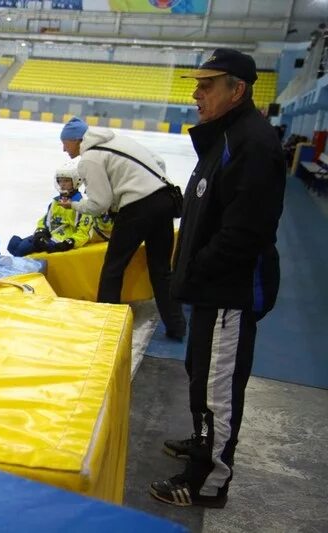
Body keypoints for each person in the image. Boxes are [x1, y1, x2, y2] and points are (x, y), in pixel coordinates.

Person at [151, 48, 286, 509]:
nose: (196, 93)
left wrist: (196, 268)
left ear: (237, 90)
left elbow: (245, 233)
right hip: (210, 289)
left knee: (217, 389)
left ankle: (207, 481)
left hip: (228, 292)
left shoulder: (252, 144)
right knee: (200, 376)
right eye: (197, 84)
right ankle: (202, 442)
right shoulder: (225, 135)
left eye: (207, 85)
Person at [60, 116, 186, 340]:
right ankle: (176, 326)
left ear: (77, 140)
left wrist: (74, 204)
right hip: (163, 199)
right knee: (161, 269)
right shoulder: (118, 140)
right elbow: (158, 162)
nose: (63, 148)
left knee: (113, 268)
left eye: (65, 143)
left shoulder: (90, 158)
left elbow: (100, 204)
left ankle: (105, 327)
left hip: (137, 207)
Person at [7, 162, 94, 257]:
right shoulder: (56, 202)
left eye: (66, 181)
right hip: (49, 237)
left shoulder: (82, 205)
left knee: (21, 249)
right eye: (60, 181)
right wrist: (41, 232)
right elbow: (45, 221)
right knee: (13, 244)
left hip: (59, 242)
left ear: (76, 181)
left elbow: (83, 233)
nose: (62, 184)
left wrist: (68, 243)